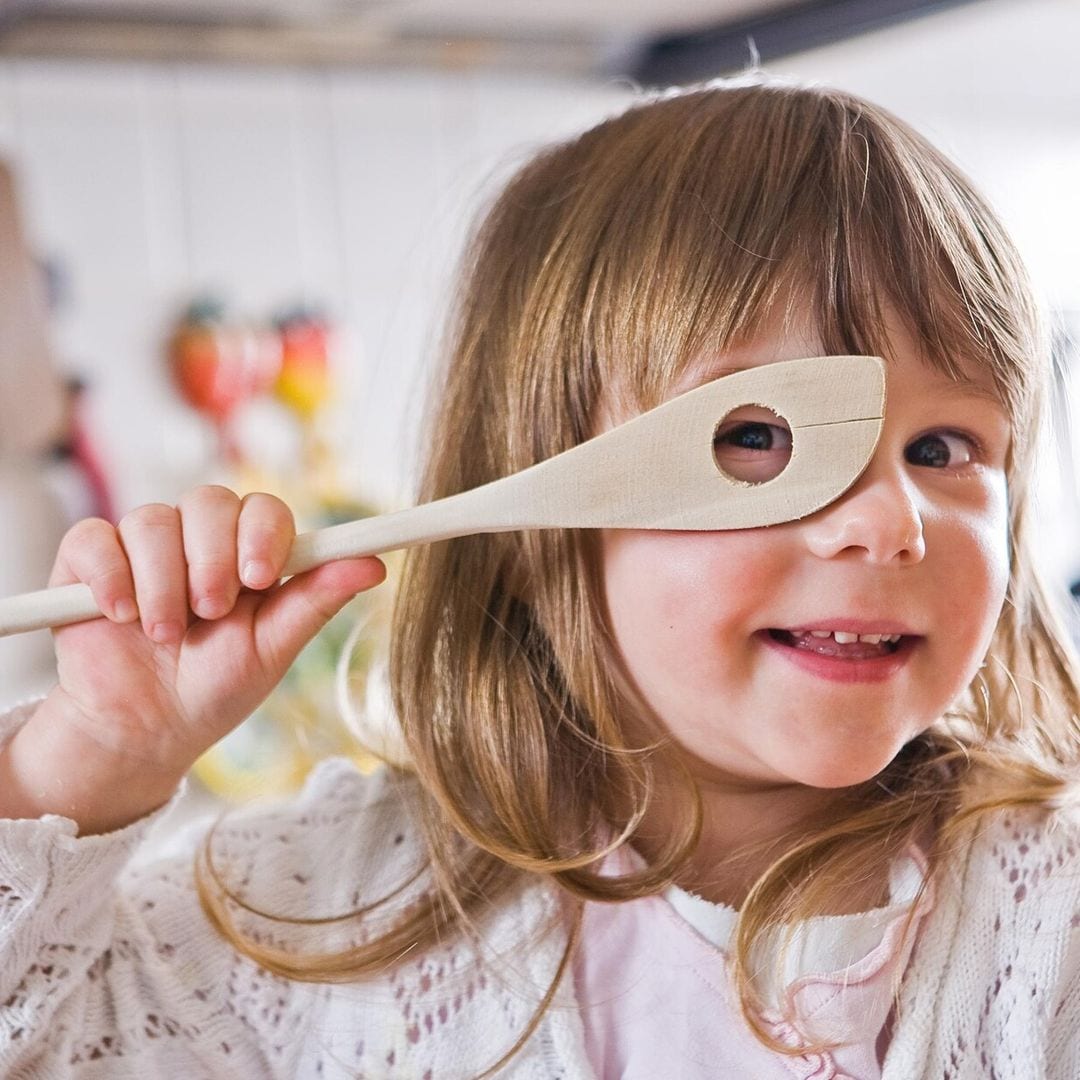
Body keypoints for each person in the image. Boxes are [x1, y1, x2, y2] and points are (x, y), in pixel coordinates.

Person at [1, 76, 1078, 1079]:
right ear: (532, 520)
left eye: (944, 449)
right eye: (759, 435)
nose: (892, 521)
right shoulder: (326, 910)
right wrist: (96, 759)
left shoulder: (1050, 917)